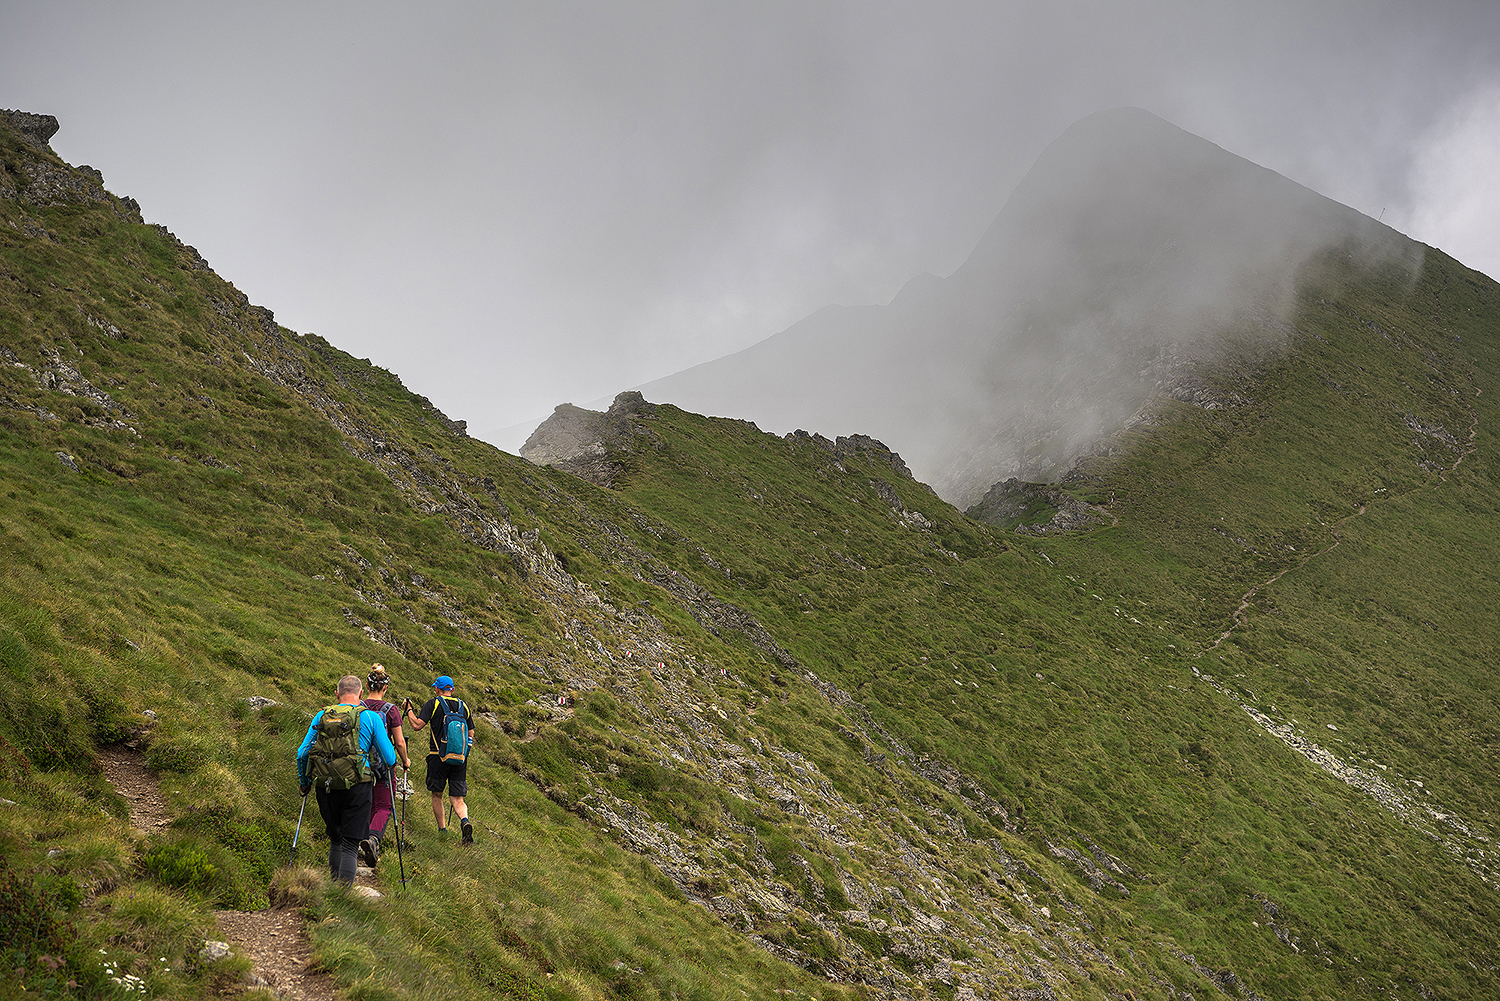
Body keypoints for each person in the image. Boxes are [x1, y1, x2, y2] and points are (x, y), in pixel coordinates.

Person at [296, 675, 398, 884]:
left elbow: (302, 754)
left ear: (337, 694)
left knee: (335, 841)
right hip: (358, 786)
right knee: (350, 845)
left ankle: (334, 887)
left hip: (325, 784)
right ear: (361, 694)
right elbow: (389, 758)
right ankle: (342, 897)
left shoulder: (321, 716)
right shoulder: (371, 718)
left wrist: (305, 782)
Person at [405, 674, 475, 844]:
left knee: (437, 794)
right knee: (458, 799)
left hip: (438, 757)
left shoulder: (434, 703)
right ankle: (464, 821)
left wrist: (408, 710)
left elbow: (416, 725)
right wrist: (464, 753)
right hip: (460, 758)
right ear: (452, 689)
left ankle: (442, 831)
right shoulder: (463, 706)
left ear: (437, 689)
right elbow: (471, 733)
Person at [359, 665, 411, 867]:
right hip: (383, 765)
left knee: (365, 803)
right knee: (384, 805)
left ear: (367, 685)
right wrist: (405, 760)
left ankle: (358, 839)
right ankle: (373, 839)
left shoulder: (358, 706)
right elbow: (399, 742)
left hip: (359, 763)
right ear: (385, 687)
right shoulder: (391, 710)